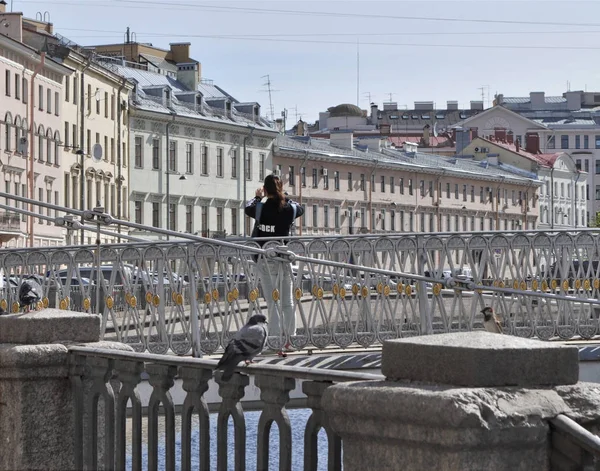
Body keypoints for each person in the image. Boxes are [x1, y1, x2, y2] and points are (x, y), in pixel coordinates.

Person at [245, 174, 304, 353]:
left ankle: (274, 339)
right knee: (287, 301)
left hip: (265, 259)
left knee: (272, 301)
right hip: (284, 259)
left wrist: (257, 196)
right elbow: (299, 208)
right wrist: (284, 195)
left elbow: (248, 207)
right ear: (280, 189)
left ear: (265, 189)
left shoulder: (260, 208)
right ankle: (289, 340)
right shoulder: (289, 209)